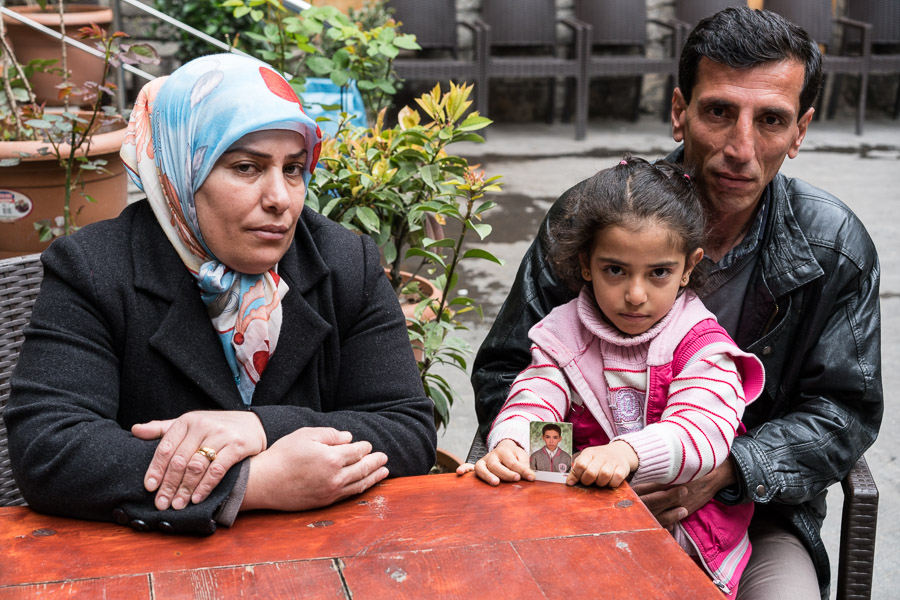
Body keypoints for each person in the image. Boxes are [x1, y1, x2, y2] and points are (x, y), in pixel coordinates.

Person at [467, 7, 882, 600]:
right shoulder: (595, 218)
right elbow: (514, 367)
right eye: (719, 112)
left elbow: (843, 412)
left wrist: (730, 470)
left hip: (753, 516)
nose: (741, 147)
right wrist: (571, 475)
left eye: (771, 120)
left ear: (800, 131)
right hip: (579, 503)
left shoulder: (834, 247)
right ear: (679, 112)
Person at [4, 53, 437, 535]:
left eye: (294, 169)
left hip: (324, 551)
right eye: (247, 167)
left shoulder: (345, 263)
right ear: (183, 169)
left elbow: (406, 428)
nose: (280, 198)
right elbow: (50, 447)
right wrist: (253, 482)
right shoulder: (94, 268)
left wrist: (260, 427)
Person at [474, 157, 765, 596]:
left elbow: (703, 432)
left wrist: (627, 452)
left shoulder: (701, 344)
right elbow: (536, 395)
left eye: (659, 273)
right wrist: (513, 443)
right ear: (585, 263)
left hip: (687, 544)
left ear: (688, 267)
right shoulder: (562, 334)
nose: (635, 294)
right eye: (615, 270)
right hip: (582, 531)